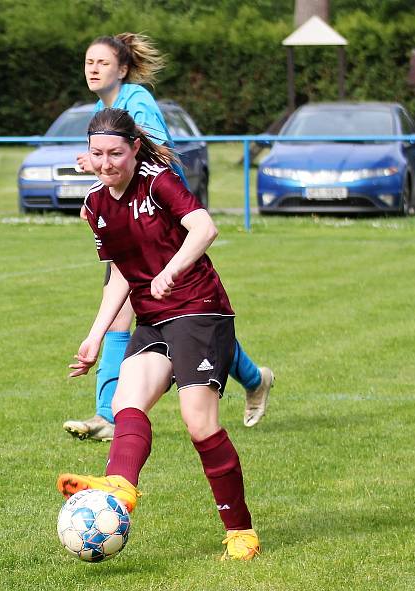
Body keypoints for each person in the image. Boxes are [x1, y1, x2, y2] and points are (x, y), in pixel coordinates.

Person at [57, 108, 260, 560]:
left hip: (199, 310)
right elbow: (122, 277)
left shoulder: (158, 181)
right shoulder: (94, 206)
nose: (107, 163)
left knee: (199, 422)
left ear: (133, 149)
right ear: (86, 157)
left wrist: (171, 270)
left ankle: (240, 530)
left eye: (115, 153)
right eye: (97, 155)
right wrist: (95, 335)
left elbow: (205, 228)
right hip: (153, 318)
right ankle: (119, 490)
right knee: (124, 404)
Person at [62, 33, 273, 442]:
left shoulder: (137, 100)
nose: (93, 69)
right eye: (89, 62)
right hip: (125, 221)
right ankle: (252, 378)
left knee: (177, 314)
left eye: (102, 63)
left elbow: (155, 152)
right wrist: (101, 167)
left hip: (159, 222)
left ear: (122, 69)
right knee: (176, 317)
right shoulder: (100, 108)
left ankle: (109, 413)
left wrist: (109, 165)